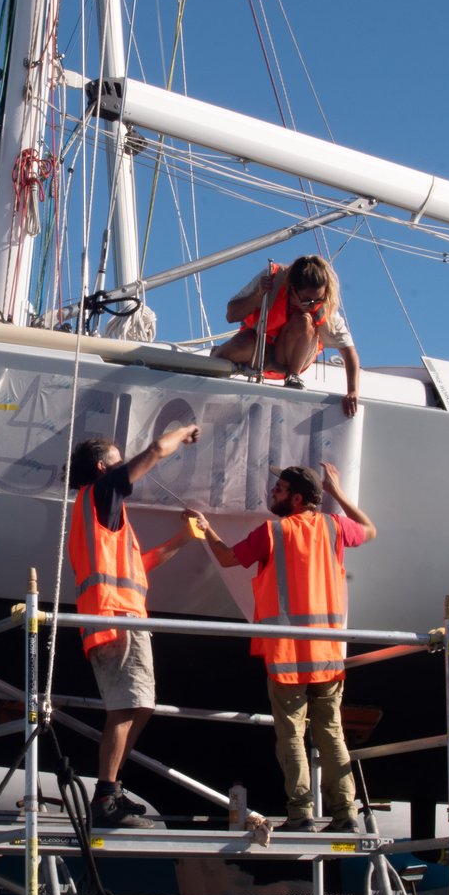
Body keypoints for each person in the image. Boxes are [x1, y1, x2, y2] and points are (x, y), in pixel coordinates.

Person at [189, 463, 378, 832]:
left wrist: (205, 529)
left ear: (296, 497)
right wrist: (338, 493)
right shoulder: (333, 526)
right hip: (328, 654)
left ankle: (301, 815)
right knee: (332, 733)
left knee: (291, 735)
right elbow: (370, 530)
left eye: (278, 489)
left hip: (288, 657)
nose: (272, 494)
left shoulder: (273, 531)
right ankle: (346, 817)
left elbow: (228, 558)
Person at [67, 420, 202, 830]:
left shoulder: (104, 518)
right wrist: (182, 432)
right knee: (127, 708)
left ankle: (111, 791)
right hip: (116, 619)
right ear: (104, 469)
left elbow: (138, 569)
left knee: (137, 706)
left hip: (116, 618)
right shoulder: (101, 494)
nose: (125, 467)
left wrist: (184, 538)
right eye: (118, 461)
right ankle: (106, 798)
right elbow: (156, 453)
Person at [212, 255, 361, 417]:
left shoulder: (324, 308)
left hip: (288, 359)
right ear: (292, 289)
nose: (312, 305)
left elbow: (349, 352)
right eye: (306, 300)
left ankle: (293, 377)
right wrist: (258, 296)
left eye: (318, 299)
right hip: (259, 352)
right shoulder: (272, 279)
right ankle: (213, 363)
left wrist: (352, 391)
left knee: (303, 320)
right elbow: (231, 315)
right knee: (241, 344)